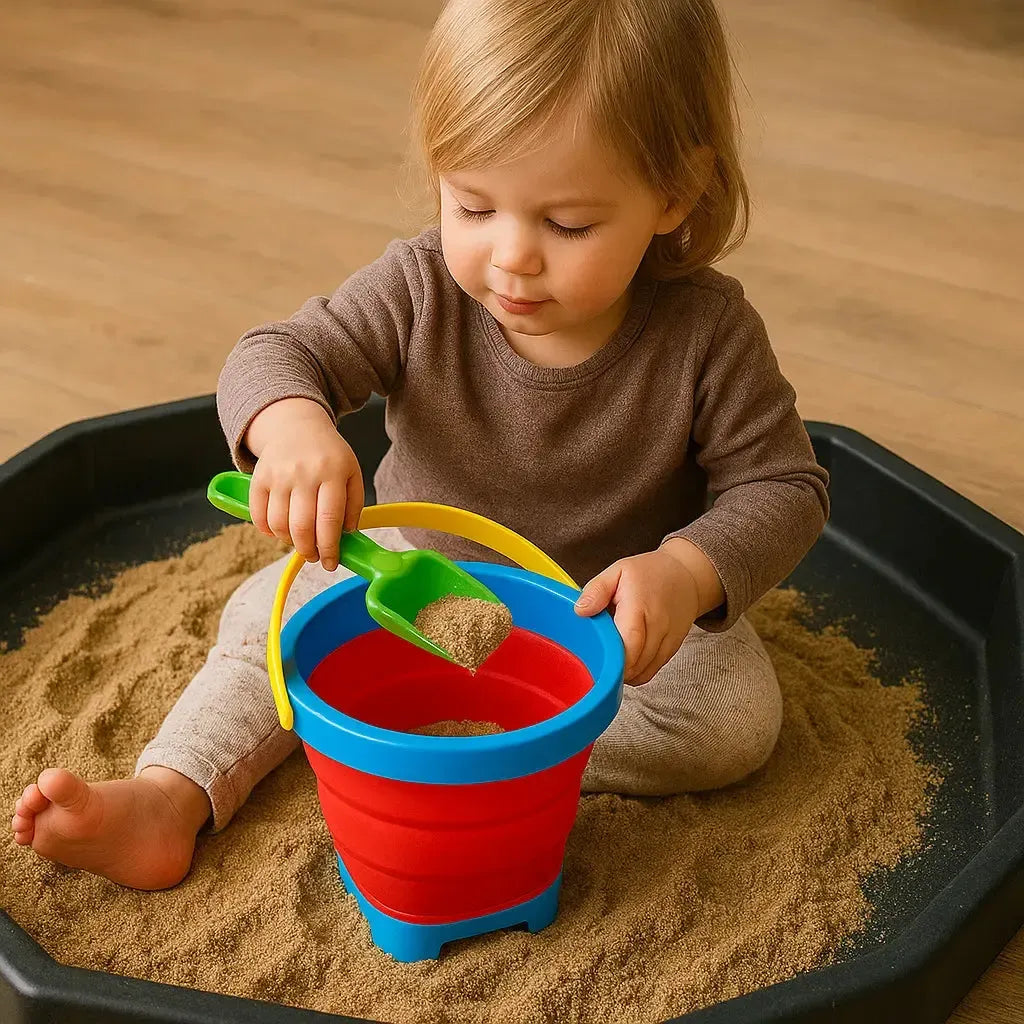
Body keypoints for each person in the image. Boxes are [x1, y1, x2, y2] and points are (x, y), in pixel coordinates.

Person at [11, 0, 828, 890]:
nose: (511, 256)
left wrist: (687, 571)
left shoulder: (708, 333)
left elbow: (784, 485)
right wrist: (293, 427)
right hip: (410, 576)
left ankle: (444, 744)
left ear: (675, 190)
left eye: (568, 225)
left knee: (734, 718)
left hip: (600, 625)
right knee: (263, 627)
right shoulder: (419, 287)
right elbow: (274, 354)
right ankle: (168, 799)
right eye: (473, 205)